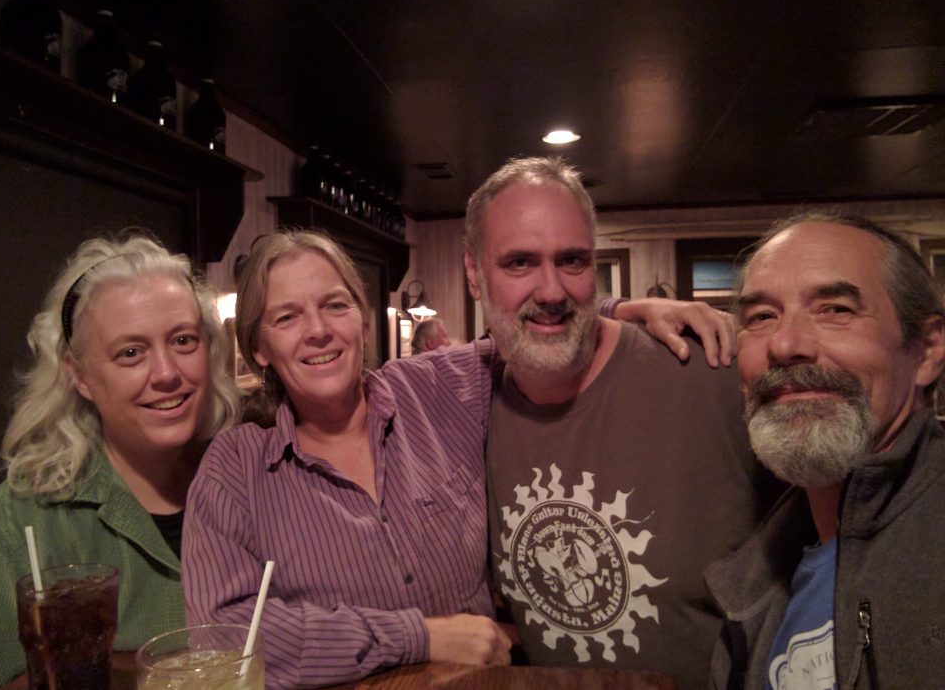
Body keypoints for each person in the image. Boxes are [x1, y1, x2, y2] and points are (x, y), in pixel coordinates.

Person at [182, 229, 734, 689]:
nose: (319, 330)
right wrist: (419, 637)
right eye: (287, 318)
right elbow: (224, 637)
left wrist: (628, 308)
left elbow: (537, 330)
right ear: (258, 347)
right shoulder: (236, 468)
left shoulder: (440, 388)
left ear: (361, 317)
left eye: (335, 304)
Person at [466, 157, 778, 689]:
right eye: (519, 263)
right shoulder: (467, 401)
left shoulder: (711, 372)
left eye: (572, 261)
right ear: (474, 274)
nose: (550, 291)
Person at [0, 234, 241, 689]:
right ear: (80, 376)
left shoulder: (248, 481)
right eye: (131, 352)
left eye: (183, 340)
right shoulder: (21, 523)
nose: (168, 373)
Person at [706, 213, 945, 689]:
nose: (786, 343)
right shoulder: (759, 574)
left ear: (926, 351)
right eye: (761, 317)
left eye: (836, 309)